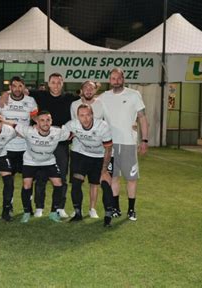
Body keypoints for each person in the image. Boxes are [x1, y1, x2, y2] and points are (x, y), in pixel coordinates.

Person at [0, 73, 79, 218]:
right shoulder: (40, 95)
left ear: (62, 83)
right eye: (53, 82)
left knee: (61, 176)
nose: (55, 85)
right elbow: (19, 90)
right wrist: (6, 93)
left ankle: (60, 207)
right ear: (48, 84)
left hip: (60, 142)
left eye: (58, 82)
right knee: (41, 176)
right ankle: (39, 207)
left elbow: (87, 100)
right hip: (39, 141)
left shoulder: (70, 98)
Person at [98, 68, 149, 221]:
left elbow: (142, 118)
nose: (116, 80)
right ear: (109, 80)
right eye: (113, 78)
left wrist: (144, 140)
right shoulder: (103, 97)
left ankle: (131, 210)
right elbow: (88, 102)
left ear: (123, 79)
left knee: (131, 178)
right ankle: (116, 208)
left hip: (128, 143)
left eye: (119, 78)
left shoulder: (134, 95)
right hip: (110, 144)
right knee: (113, 177)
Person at [64, 104, 115, 227]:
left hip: (102, 156)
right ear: (78, 116)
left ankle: (108, 216)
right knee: (76, 182)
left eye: (88, 115)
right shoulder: (72, 125)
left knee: (105, 183)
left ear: (92, 115)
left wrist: (104, 170)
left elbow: (108, 149)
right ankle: (77, 213)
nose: (85, 118)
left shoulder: (102, 126)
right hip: (82, 154)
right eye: (82, 115)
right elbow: (60, 134)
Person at [0, 76, 38, 213]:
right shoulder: (1, 101)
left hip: (25, 148)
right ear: (10, 87)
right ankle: (8, 206)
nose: (17, 89)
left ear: (24, 87)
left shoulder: (30, 101)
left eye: (20, 86)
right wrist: (15, 129)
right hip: (7, 147)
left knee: (28, 180)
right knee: (8, 181)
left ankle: (27, 207)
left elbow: (35, 119)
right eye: (14, 86)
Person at [15, 111, 70, 223]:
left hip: (48, 161)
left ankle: (54, 213)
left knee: (59, 183)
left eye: (48, 120)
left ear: (52, 121)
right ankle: (26, 212)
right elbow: (13, 125)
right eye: (42, 120)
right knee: (27, 185)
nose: (45, 123)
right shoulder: (29, 131)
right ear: (37, 121)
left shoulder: (57, 132)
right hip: (30, 161)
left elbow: (72, 132)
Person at [69, 80, 105, 218]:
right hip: (78, 150)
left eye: (91, 88)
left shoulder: (101, 104)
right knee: (76, 182)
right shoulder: (74, 105)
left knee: (94, 182)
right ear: (81, 90)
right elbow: (74, 125)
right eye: (86, 87)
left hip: (96, 152)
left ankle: (92, 209)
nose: (89, 90)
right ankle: (77, 209)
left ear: (95, 90)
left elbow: (106, 123)